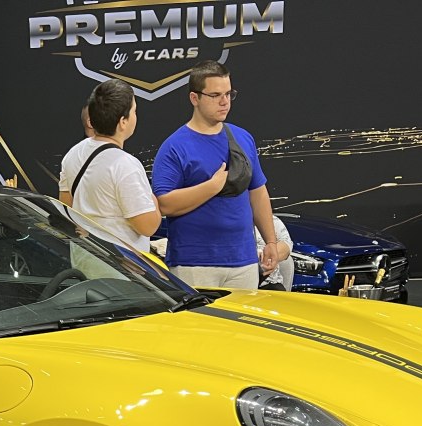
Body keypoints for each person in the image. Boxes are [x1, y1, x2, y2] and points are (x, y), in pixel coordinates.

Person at [151, 60, 282, 289]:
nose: (224, 102)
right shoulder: (174, 147)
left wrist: (271, 240)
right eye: (215, 95)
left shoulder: (243, 138)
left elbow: (258, 192)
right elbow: (165, 204)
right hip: (194, 265)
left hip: (244, 261)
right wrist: (211, 187)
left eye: (228, 94)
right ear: (195, 98)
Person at [57, 80, 161, 252]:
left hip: (84, 258)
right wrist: (154, 201)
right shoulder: (125, 165)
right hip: (121, 269)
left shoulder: (73, 154)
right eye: (134, 111)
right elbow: (148, 226)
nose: (136, 116)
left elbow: (67, 207)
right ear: (123, 122)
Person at [256, 217, 294, 291]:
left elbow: (286, 244)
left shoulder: (272, 220)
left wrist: (268, 258)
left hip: (269, 283)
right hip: (241, 281)